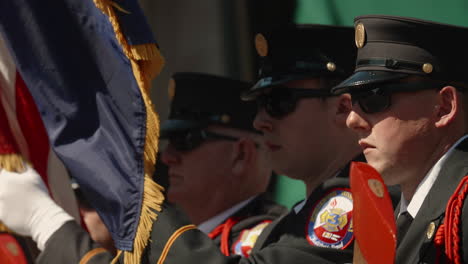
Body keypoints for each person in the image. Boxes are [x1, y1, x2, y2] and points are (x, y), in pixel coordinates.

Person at [0, 24, 362, 263]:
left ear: (343, 107)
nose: (260, 120)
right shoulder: (300, 218)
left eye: (278, 103)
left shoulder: (344, 210)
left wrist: (128, 191)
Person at [332, 15, 468, 263]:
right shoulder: (398, 213)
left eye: (373, 97)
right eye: (352, 101)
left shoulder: (462, 209)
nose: (353, 120)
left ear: (444, 107)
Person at [159, 72, 287, 256]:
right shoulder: (187, 240)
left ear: (241, 155)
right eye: (169, 142)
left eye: (185, 141)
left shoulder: (270, 243)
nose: (167, 157)